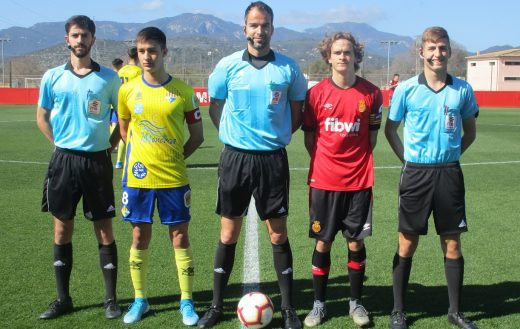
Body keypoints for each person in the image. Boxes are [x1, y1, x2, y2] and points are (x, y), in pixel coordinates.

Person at [197, 2, 307, 329]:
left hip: (272, 159)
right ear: (244, 28)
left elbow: (297, 114)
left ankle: (288, 308)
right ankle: (216, 306)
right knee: (228, 233)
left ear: (273, 28)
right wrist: (233, 135)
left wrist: (276, 135)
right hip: (235, 159)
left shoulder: (288, 69)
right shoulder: (227, 66)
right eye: (254, 25)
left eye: (265, 25)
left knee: (278, 233)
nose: (260, 31)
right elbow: (215, 107)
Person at [385, 26, 478, 329]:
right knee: (407, 242)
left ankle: (455, 311)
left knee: (452, 243)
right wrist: (408, 160)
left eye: (443, 48)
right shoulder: (407, 89)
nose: (437, 54)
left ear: (449, 51)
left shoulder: (462, 90)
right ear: (421, 52)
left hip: (449, 174)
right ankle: (398, 310)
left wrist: (450, 156)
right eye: (432, 48)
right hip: (416, 173)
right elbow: (390, 129)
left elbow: (470, 132)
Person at [36, 15, 122, 320]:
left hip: (97, 162)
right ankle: (63, 299)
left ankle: (110, 299)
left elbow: (122, 123)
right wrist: (58, 144)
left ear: (93, 40)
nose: (80, 40)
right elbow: (42, 116)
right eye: (75, 35)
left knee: (104, 228)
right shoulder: (52, 77)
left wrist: (108, 147)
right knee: (62, 229)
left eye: (85, 35)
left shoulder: (110, 79)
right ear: (67, 40)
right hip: (64, 161)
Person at [117, 26, 204, 325]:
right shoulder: (127, 90)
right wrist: (143, 157)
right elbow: (125, 131)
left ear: (165, 52)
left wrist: (175, 158)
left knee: (179, 237)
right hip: (138, 178)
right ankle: (140, 299)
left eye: (152, 50)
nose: (146, 56)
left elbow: (197, 136)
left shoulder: (182, 91)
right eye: (141, 51)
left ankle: (187, 301)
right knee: (139, 236)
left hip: (173, 179)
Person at [302, 32, 382, 328]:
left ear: (356, 56)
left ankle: (355, 303)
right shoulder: (316, 95)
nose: (343, 57)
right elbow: (311, 139)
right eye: (337, 52)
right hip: (324, 182)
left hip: (359, 182)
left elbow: (371, 139)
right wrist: (328, 163)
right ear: (328, 57)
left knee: (355, 243)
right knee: (322, 243)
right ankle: (319, 305)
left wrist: (352, 163)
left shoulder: (372, 94)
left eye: (348, 52)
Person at [114, 46, 142, 169]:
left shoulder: (121, 70)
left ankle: (119, 161)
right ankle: (132, 159)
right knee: (133, 134)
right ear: (138, 56)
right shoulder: (138, 72)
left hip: (119, 104)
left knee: (121, 131)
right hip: (131, 106)